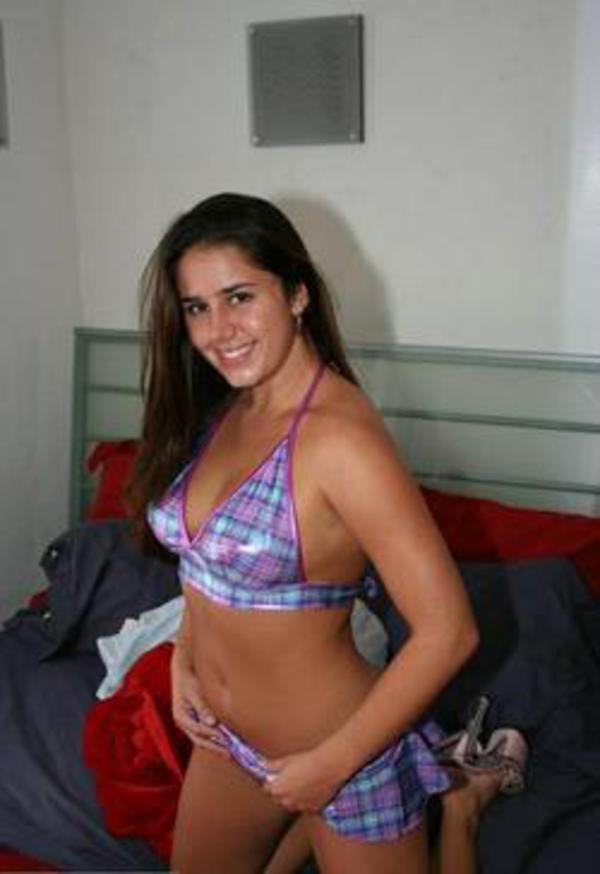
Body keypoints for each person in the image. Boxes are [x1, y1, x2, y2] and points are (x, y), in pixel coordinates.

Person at [128, 192, 479, 874]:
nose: (217, 330)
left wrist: (331, 765)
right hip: (226, 741)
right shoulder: (230, 407)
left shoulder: (342, 441)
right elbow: (207, 564)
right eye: (197, 308)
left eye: (239, 297)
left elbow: (450, 632)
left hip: (341, 754)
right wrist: (183, 656)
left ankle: (461, 807)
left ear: (297, 294)